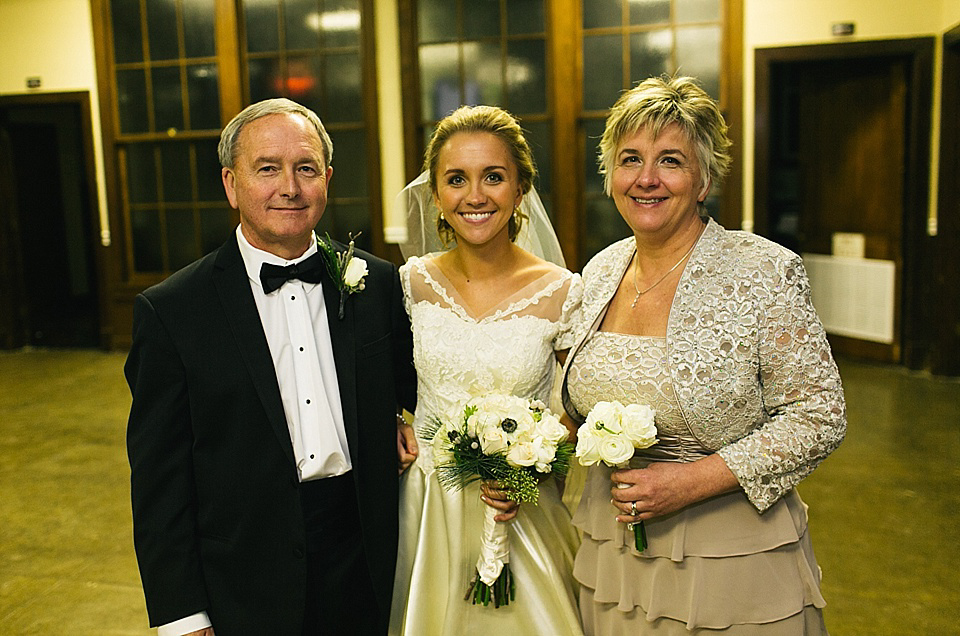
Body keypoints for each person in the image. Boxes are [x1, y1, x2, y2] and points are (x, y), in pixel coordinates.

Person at [560, 76, 846, 634]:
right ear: (611, 175)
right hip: (612, 546)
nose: (646, 179)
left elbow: (820, 415)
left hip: (728, 552)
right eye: (630, 159)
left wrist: (690, 481)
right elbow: (575, 404)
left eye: (670, 161)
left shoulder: (763, 270)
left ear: (704, 178)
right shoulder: (599, 271)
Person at [125, 98, 418, 636]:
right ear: (231, 184)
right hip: (244, 575)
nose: (290, 187)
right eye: (267, 169)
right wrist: (182, 614)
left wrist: (402, 420)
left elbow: (408, 387)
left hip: (365, 558)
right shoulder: (171, 312)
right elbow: (158, 483)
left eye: (305, 169)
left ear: (327, 179)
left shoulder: (376, 285)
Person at [389, 105, 583, 635]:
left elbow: (579, 411)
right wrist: (389, 421)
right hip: (426, 508)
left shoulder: (563, 291)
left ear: (520, 189)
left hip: (520, 508)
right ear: (436, 194)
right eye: (456, 179)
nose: (475, 196)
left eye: (493, 177)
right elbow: (369, 378)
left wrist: (533, 466)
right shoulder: (407, 284)